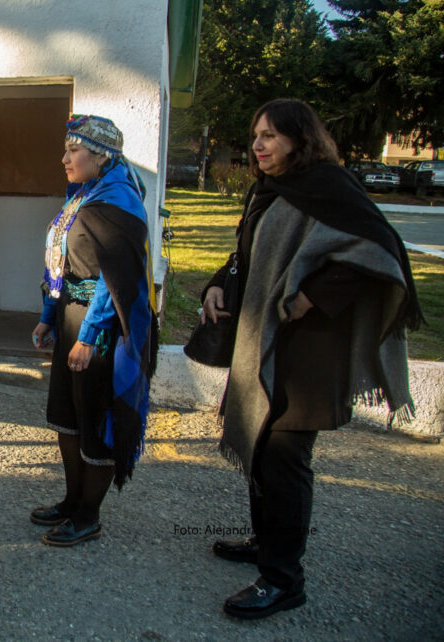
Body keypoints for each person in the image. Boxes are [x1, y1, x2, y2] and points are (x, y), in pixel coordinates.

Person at [201, 99, 423, 619]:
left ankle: (283, 580)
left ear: (301, 139)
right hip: (265, 340)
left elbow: (380, 253)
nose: (259, 145)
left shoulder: (329, 186)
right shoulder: (270, 190)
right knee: (259, 448)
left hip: (307, 352)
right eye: (255, 135)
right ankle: (266, 543)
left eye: (271, 136)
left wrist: (312, 295)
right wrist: (217, 284)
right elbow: (248, 256)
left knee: (285, 459)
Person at [30, 115, 158, 547]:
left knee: (95, 418)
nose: (64, 158)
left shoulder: (119, 201)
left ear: (101, 154)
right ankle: (71, 500)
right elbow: (62, 263)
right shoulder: (83, 195)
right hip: (72, 317)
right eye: (66, 149)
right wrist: (50, 315)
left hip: (101, 328)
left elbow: (114, 280)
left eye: (74, 150)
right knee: (67, 415)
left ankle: (89, 515)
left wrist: (88, 335)